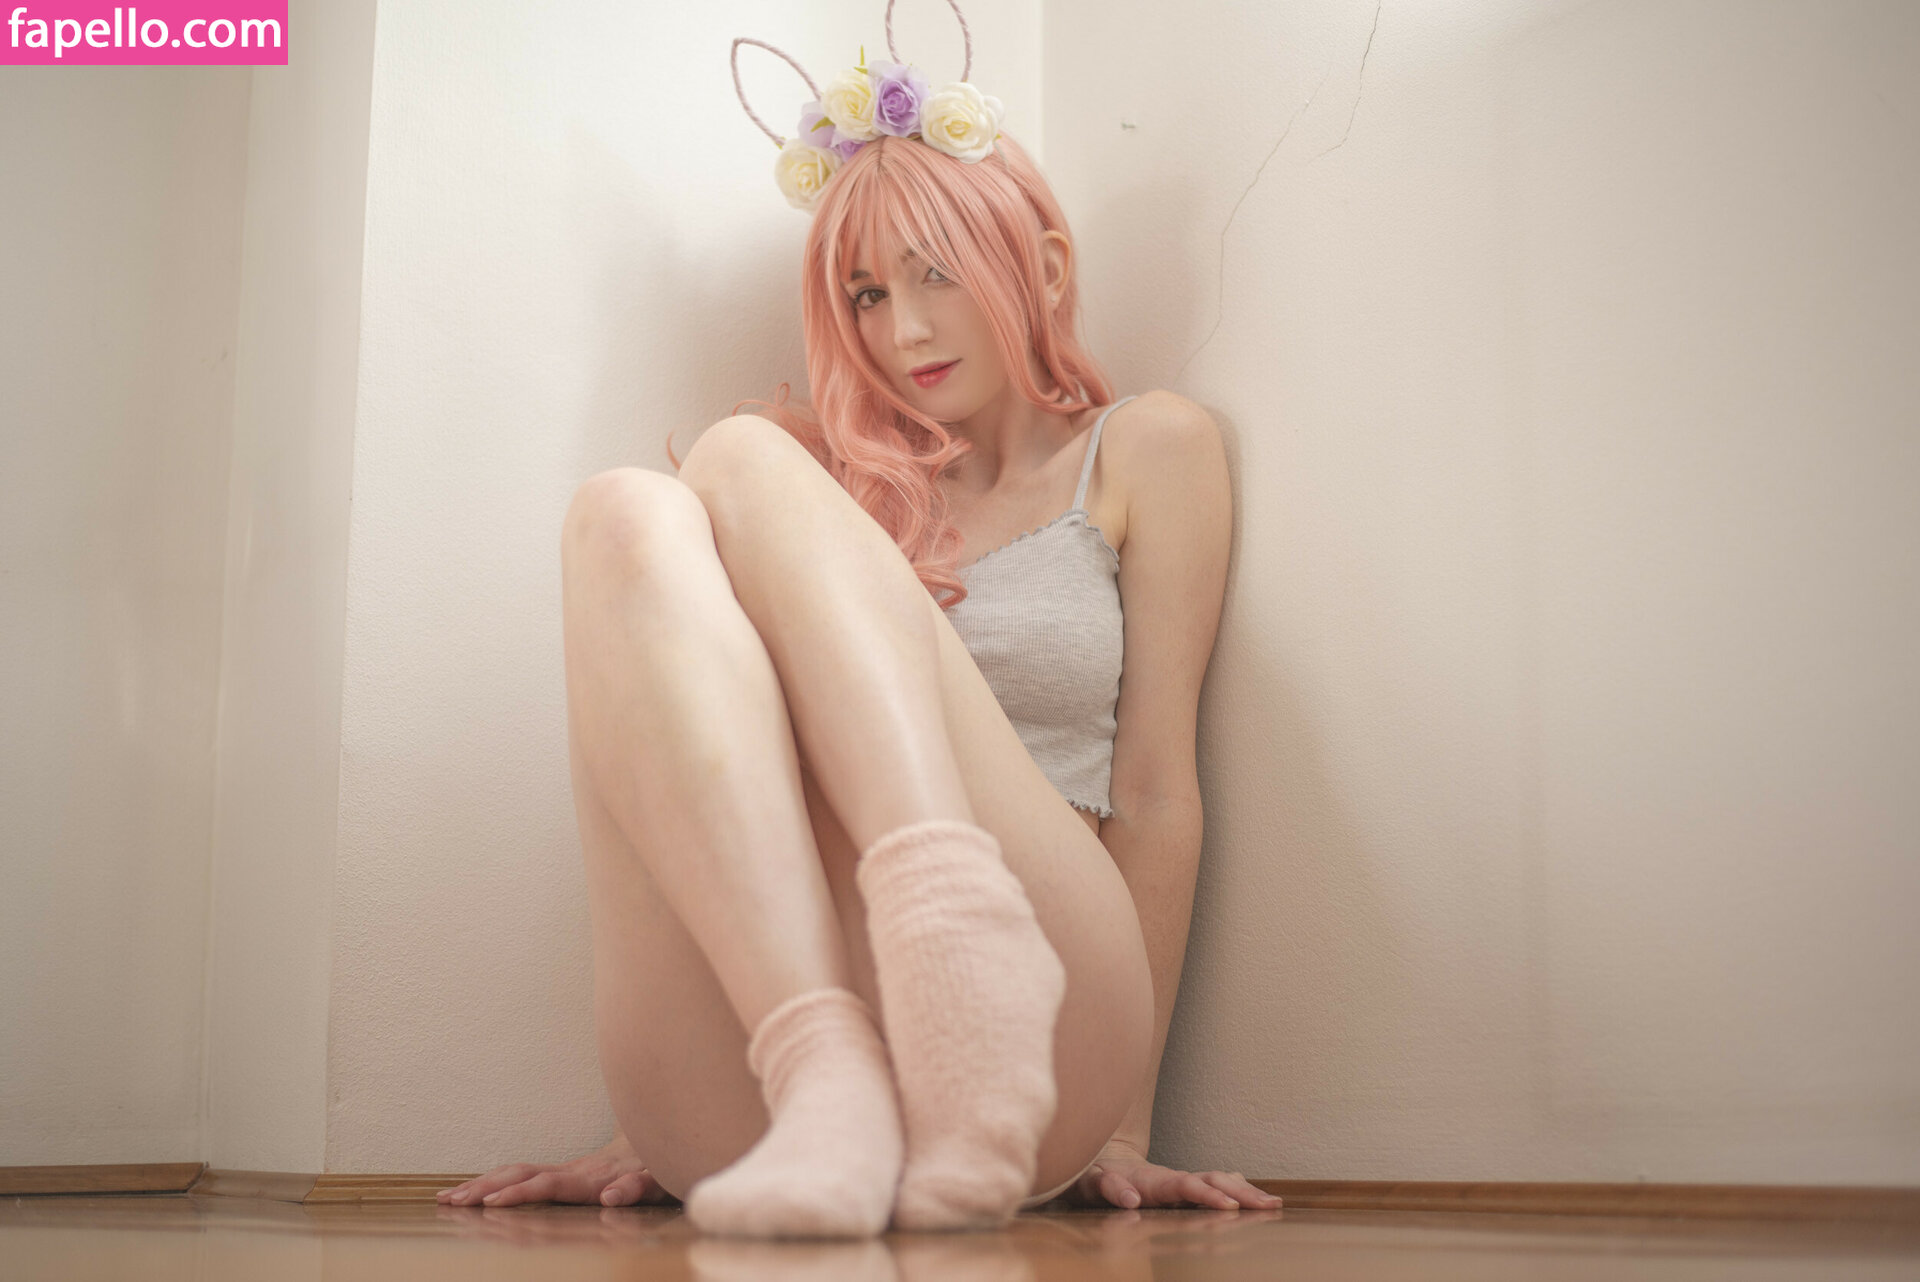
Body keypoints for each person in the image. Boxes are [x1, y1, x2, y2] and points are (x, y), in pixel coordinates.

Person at [437, 9, 1277, 1238]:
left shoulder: (1148, 450)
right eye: (868, 295)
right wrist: (654, 1114)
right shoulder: (826, 495)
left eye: (937, 273)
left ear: (1043, 268)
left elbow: (1154, 794)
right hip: (778, 1073)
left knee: (736, 455)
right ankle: (813, 1052)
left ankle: (951, 924)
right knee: (620, 511)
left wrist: (1126, 1131)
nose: (903, 331)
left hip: (1043, 1027)